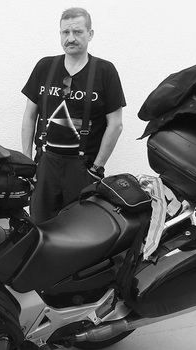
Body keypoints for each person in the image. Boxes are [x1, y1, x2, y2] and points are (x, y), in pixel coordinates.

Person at [21, 7, 126, 223]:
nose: (71, 38)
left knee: (80, 230)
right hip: (45, 165)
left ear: (90, 34)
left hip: (84, 169)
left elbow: (115, 125)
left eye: (78, 32)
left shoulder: (105, 71)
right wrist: (27, 163)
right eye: (65, 32)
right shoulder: (45, 67)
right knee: (40, 228)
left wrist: (96, 169)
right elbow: (29, 116)